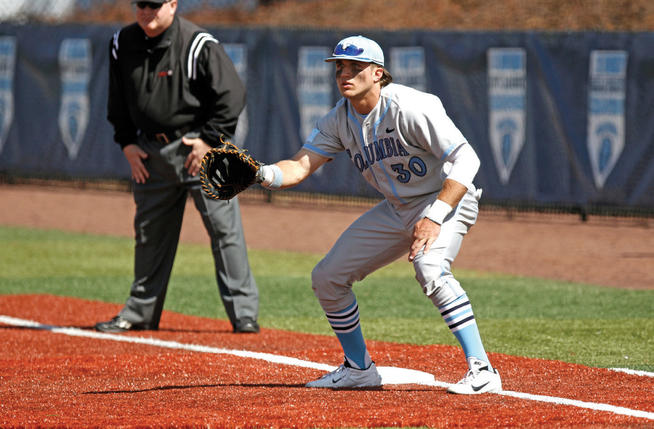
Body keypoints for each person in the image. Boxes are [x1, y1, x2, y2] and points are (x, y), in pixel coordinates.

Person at [255, 35, 501, 393]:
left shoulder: (410, 106)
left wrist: (434, 217)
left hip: (444, 200)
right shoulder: (338, 120)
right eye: (340, 66)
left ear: (378, 73)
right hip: (397, 208)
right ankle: (358, 369)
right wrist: (261, 174)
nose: (345, 74)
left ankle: (483, 370)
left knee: (430, 267)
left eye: (356, 68)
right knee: (327, 277)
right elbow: (298, 167)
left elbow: (468, 159)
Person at [95, 0, 260, 334]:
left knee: (224, 232)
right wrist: (126, 142)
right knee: (149, 234)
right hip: (150, 152)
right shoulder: (121, 43)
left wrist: (209, 140)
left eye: (155, 4)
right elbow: (116, 99)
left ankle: (244, 314)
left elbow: (232, 94)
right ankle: (141, 311)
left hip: (200, 149)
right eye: (141, 4)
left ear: (173, 4)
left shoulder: (198, 43)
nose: (147, 11)